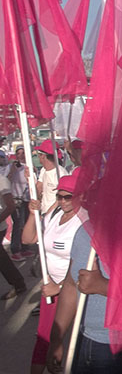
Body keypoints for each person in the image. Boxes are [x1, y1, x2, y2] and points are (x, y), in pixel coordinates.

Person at [46, 225, 122, 373]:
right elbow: (70, 284)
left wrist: (103, 286)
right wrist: (56, 338)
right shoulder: (84, 231)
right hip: (86, 336)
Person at [23, 173, 83, 374]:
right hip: (51, 288)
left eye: (69, 197)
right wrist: (33, 214)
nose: (64, 201)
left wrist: (59, 287)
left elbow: (86, 262)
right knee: (44, 338)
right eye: (60, 196)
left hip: (75, 291)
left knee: (77, 341)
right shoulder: (53, 214)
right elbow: (28, 238)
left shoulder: (85, 220)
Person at [0, 172, 26, 301]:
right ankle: (18, 283)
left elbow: (10, 207)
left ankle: (18, 284)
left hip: (0, 226)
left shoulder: (2, 180)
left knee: (2, 259)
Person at [8, 146, 31, 261]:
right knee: (18, 224)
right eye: (19, 153)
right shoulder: (12, 167)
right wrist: (13, 169)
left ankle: (24, 247)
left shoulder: (29, 167)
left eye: (23, 153)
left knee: (26, 223)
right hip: (17, 199)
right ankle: (15, 249)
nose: (21, 155)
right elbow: (8, 179)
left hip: (27, 199)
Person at [34, 140, 69, 213]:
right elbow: (38, 189)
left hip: (55, 214)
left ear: (43, 156)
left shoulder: (61, 174)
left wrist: (47, 215)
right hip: (44, 212)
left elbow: (61, 199)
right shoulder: (43, 170)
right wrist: (30, 179)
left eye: (39, 154)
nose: (38, 156)